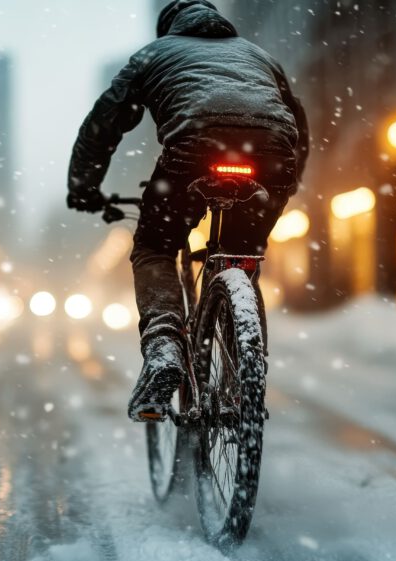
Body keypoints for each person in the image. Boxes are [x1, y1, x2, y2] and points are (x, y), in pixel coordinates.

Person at [66, 0, 309, 421]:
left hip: (193, 148)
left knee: (155, 248)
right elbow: (298, 120)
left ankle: (164, 345)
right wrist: (288, 180)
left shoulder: (154, 54)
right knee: (241, 253)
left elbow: (104, 123)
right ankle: (243, 371)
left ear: (170, 29)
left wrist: (84, 187)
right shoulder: (257, 55)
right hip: (272, 154)